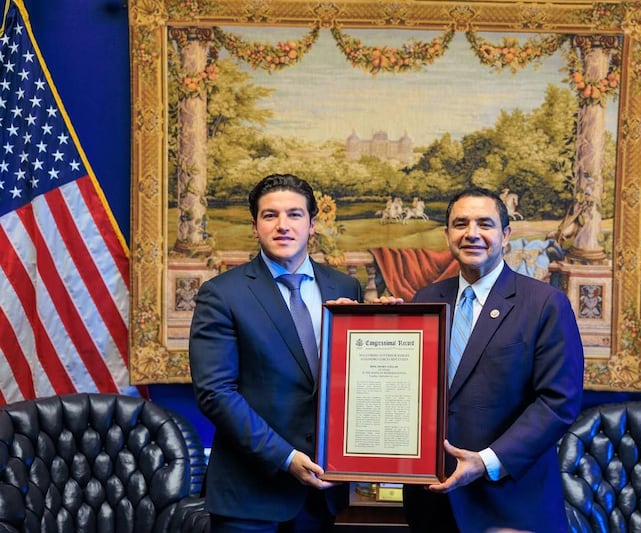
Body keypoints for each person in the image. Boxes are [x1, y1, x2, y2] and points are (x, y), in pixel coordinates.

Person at [403, 187, 584, 533]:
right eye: (460, 224)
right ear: (447, 236)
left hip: (509, 501)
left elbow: (558, 403)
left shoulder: (544, 304)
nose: (472, 233)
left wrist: (486, 462)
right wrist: (374, 328)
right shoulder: (425, 301)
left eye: (485, 224)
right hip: (432, 501)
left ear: (505, 236)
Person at [189, 173, 362, 532]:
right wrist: (286, 458)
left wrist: (386, 324)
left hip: (329, 494)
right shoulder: (222, 294)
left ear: (313, 224)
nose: (283, 225)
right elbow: (216, 394)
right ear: (255, 226)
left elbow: (356, 380)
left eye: (295, 215)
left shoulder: (345, 287)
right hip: (251, 496)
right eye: (270, 215)